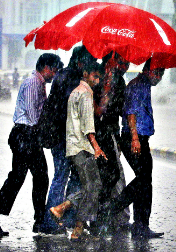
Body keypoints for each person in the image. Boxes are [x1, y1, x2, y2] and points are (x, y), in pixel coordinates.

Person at [0, 53, 63, 236]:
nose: (55, 75)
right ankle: (35, 219)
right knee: (29, 178)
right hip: (26, 135)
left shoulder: (38, 83)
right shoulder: (34, 83)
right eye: (54, 70)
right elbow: (33, 116)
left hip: (26, 136)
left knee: (30, 177)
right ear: (46, 68)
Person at [98, 58, 165, 239]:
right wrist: (135, 138)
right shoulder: (137, 85)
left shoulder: (144, 85)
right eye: (157, 72)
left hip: (141, 138)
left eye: (162, 74)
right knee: (144, 179)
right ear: (147, 70)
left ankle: (140, 224)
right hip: (134, 139)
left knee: (145, 181)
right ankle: (113, 209)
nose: (158, 77)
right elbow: (131, 112)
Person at [37, 45, 97, 234]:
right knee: (63, 176)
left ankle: (63, 218)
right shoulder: (72, 80)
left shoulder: (62, 75)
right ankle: (51, 220)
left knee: (67, 176)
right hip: (64, 137)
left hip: (58, 135)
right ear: (80, 62)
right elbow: (71, 111)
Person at [49, 61, 107, 241]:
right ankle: (74, 225)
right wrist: (96, 147)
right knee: (94, 185)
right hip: (82, 147)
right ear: (86, 74)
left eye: (98, 77)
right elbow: (87, 125)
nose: (96, 80)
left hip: (72, 146)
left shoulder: (74, 92)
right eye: (94, 76)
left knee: (90, 185)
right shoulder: (86, 94)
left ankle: (71, 220)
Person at [92, 52, 130, 230]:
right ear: (111, 59)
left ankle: (108, 217)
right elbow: (97, 111)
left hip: (111, 133)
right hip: (97, 134)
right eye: (122, 62)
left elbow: (120, 110)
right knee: (111, 175)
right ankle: (101, 216)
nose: (125, 67)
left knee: (111, 175)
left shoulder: (119, 80)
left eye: (127, 63)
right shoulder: (99, 76)